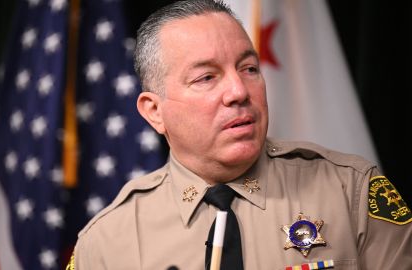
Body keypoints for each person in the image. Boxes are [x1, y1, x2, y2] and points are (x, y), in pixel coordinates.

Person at [69, 0, 412, 269]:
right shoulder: (106, 242)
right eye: (206, 77)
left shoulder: (350, 192)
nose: (238, 91)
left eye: (249, 69)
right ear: (154, 111)